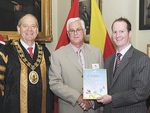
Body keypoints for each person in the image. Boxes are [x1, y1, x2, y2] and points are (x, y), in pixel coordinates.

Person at [0, 14, 54, 113]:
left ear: (37, 30)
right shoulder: (6, 52)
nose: (30, 29)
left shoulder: (45, 52)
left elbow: (52, 83)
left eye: (33, 26)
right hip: (13, 108)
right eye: (25, 26)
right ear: (18, 29)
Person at [95, 17, 150, 113]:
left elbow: (141, 92)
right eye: (115, 32)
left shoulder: (142, 59)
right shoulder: (108, 60)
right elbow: (105, 89)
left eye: (121, 31)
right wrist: (92, 97)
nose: (117, 35)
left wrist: (112, 98)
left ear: (130, 34)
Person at [49, 17, 103, 113]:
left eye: (78, 29)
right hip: (70, 108)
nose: (75, 33)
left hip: (93, 109)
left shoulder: (96, 52)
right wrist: (78, 97)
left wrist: (91, 102)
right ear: (68, 34)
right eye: (72, 30)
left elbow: (101, 82)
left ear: (84, 31)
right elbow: (55, 84)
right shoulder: (57, 55)